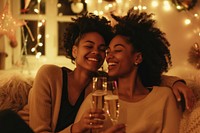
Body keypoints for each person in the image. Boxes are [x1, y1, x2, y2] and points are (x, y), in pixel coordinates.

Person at [18, 12, 194, 133]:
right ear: (74, 51)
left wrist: (176, 82)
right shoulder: (50, 75)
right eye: (89, 46)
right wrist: (77, 128)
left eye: (103, 49)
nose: (100, 53)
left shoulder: (102, 85)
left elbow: (143, 77)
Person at [74, 9, 183, 132]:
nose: (109, 56)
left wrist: (177, 82)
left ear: (137, 58)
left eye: (118, 50)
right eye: (108, 52)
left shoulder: (164, 98)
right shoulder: (96, 101)